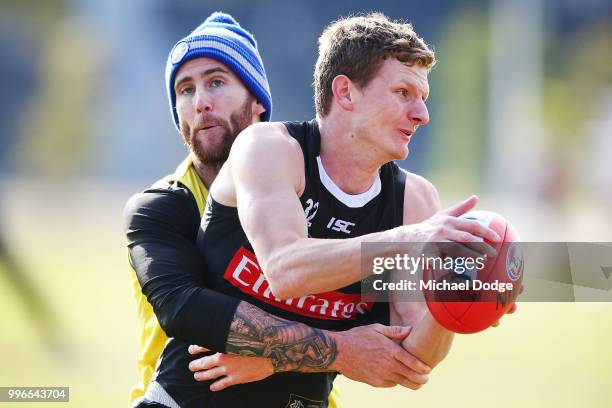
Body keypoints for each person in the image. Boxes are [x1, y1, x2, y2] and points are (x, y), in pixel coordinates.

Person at [148, 12, 511, 408]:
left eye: (423, 98)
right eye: (403, 93)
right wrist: (407, 240)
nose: (421, 114)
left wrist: (454, 302)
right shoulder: (270, 149)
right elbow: (286, 269)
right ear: (345, 92)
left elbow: (409, 359)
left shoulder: (414, 201)